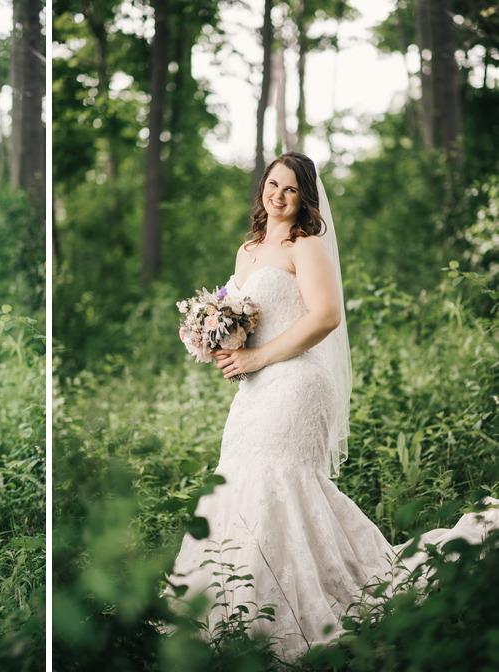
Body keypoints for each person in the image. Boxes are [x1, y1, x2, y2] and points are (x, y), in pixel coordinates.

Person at [164, 152, 497, 661]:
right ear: (262, 189)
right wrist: (218, 337)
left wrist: (256, 358)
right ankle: (231, 608)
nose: (279, 195)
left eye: (291, 189)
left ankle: (291, 612)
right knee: (238, 478)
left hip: (296, 382)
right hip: (254, 386)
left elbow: (325, 317)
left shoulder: (308, 244)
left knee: (278, 480)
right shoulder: (247, 250)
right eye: (273, 184)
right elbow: (247, 315)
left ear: (305, 199)